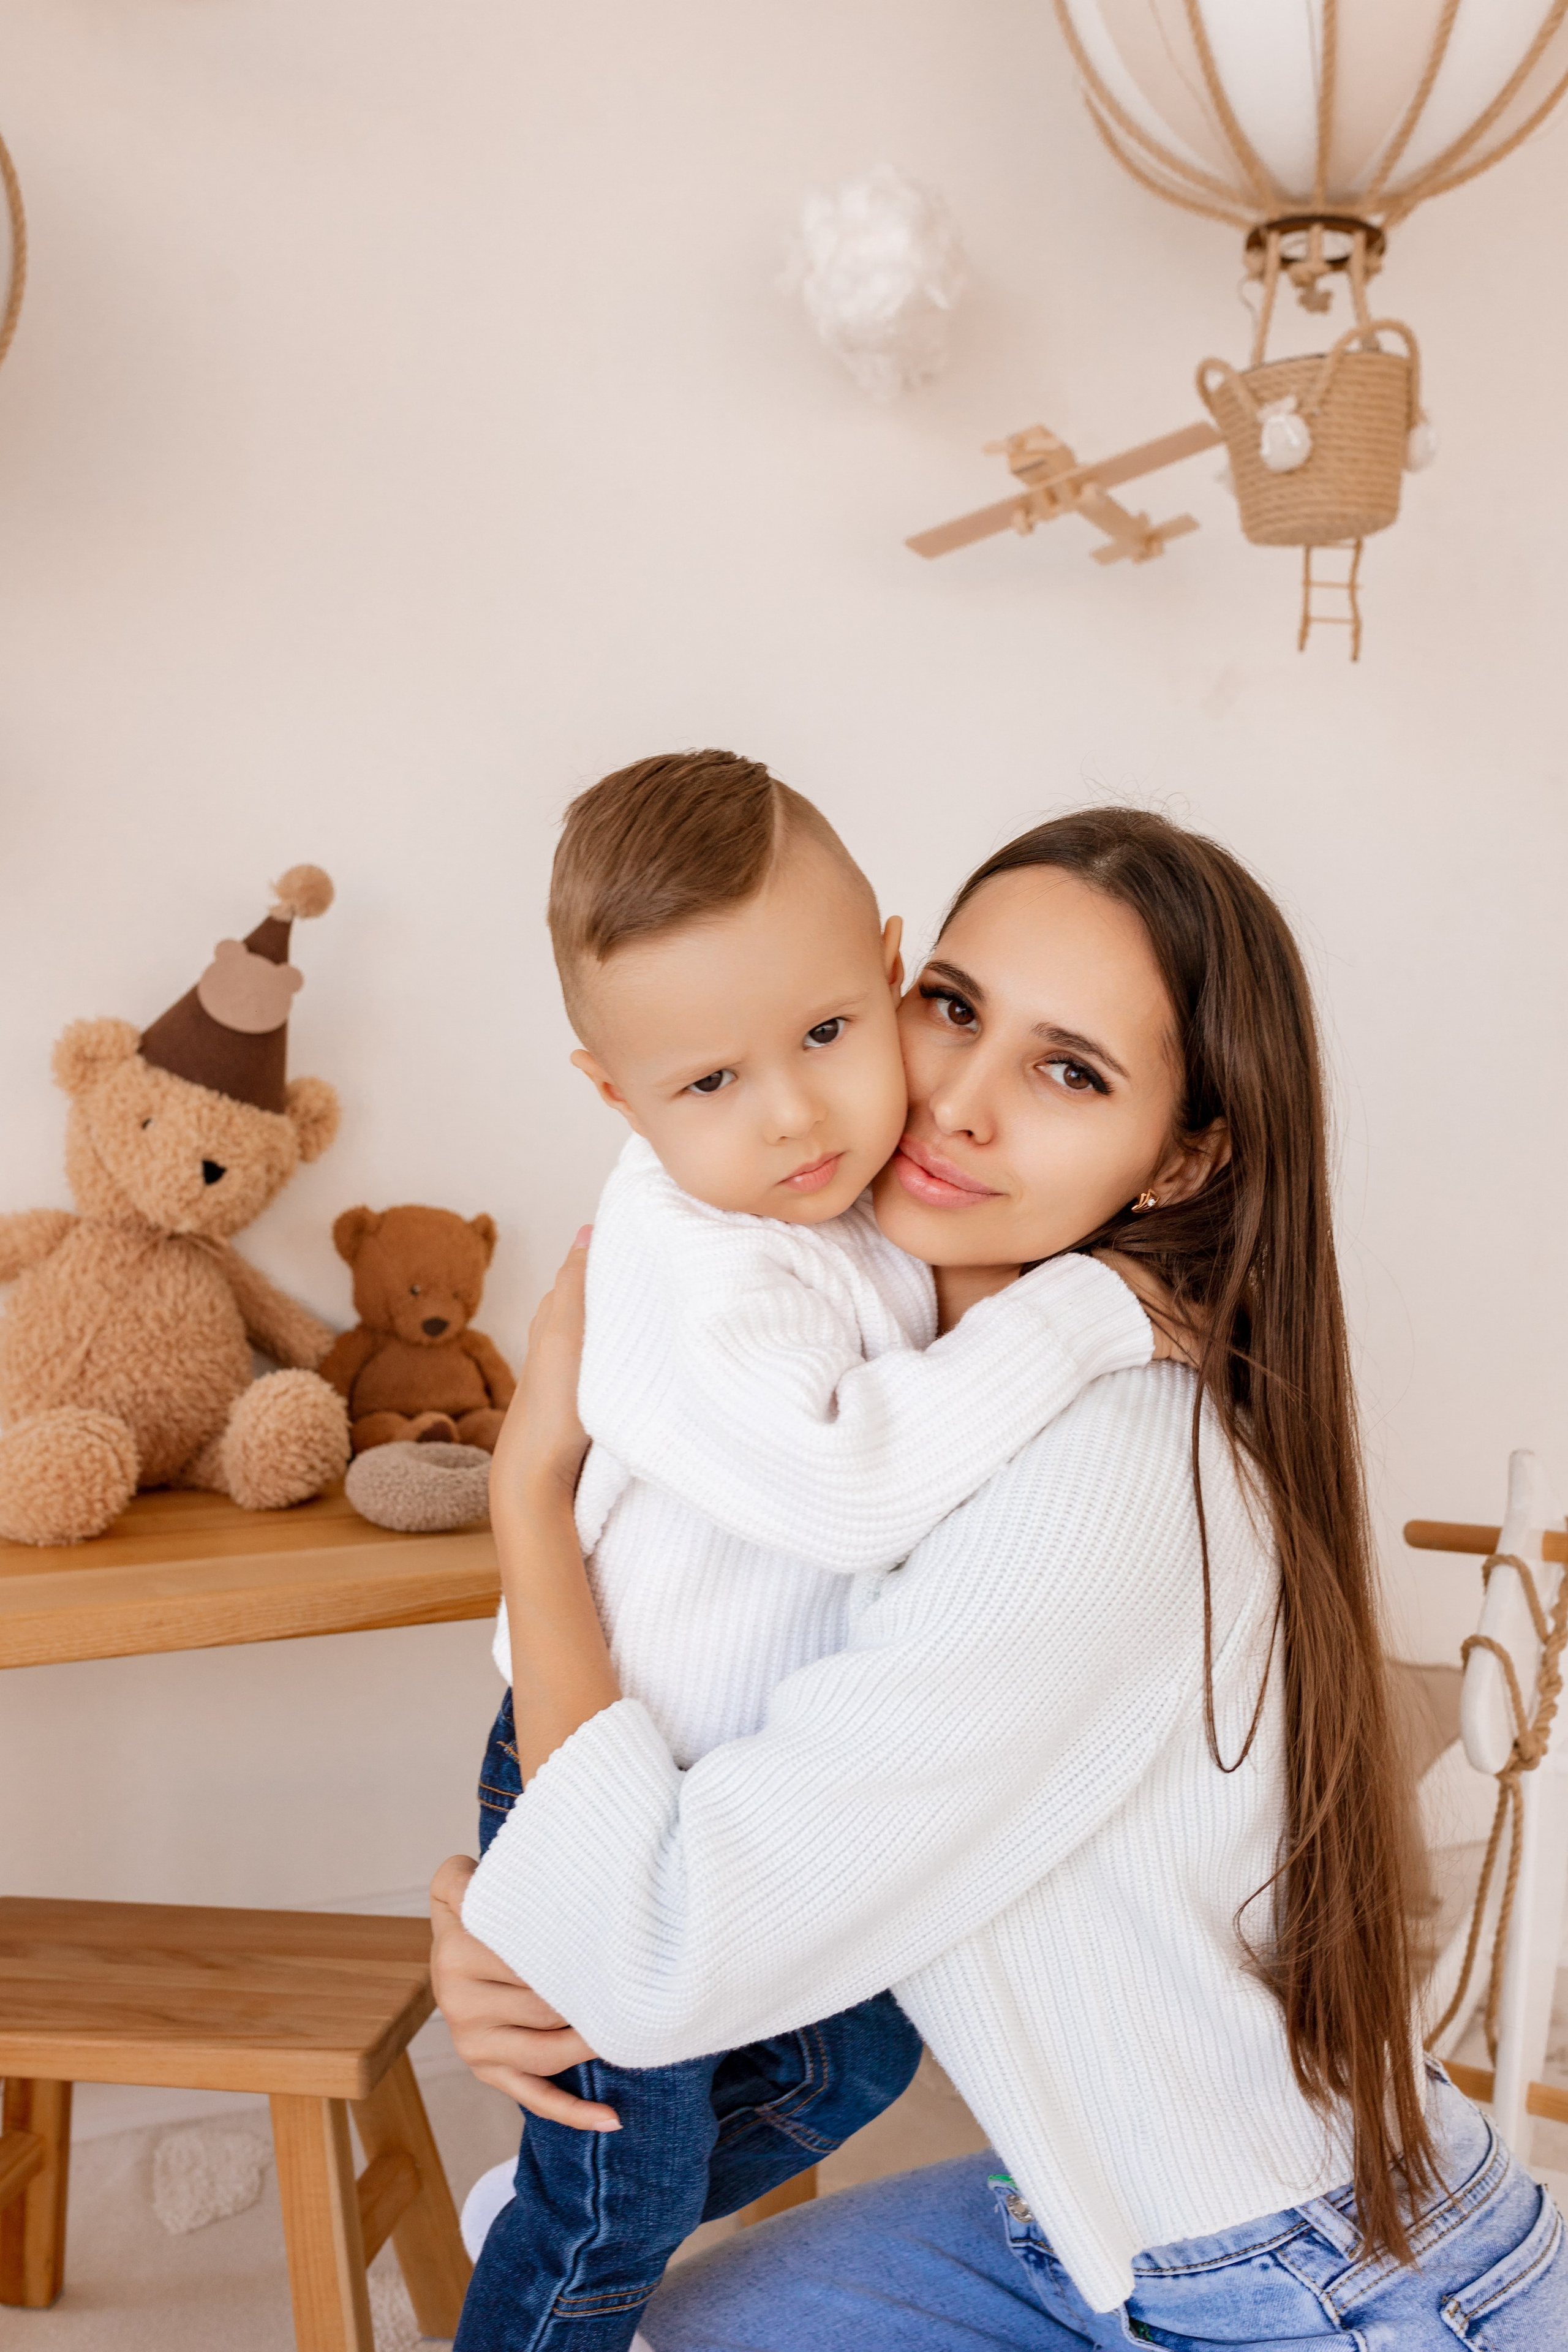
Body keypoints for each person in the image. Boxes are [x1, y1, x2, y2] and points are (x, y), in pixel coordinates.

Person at [436, 807, 1568, 2348]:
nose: (956, 1102)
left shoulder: (1092, 1479)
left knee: (579, 2264)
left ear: (1182, 1159)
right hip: (1078, 2222)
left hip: (1316, 2284)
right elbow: (759, 1787)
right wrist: (504, 1913)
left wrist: (528, 1490)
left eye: (1066, 1071)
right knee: (628, 2294)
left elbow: (654, 1952)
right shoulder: (881, 1338)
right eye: (954, 1010)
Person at [461, 754, 1184, 2350]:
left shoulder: (857, 1194)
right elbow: (855, 1491)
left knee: (850, 2063)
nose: (792, 1114)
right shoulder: (693, 1255)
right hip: (606, 1760)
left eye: (831, 1033)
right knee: (607, 2218)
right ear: (615, 1095)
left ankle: (570, 2204)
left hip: (724, 1781)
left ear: (883, 960)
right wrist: (1090, 1310)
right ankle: (567, 2234)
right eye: (708, 1083)